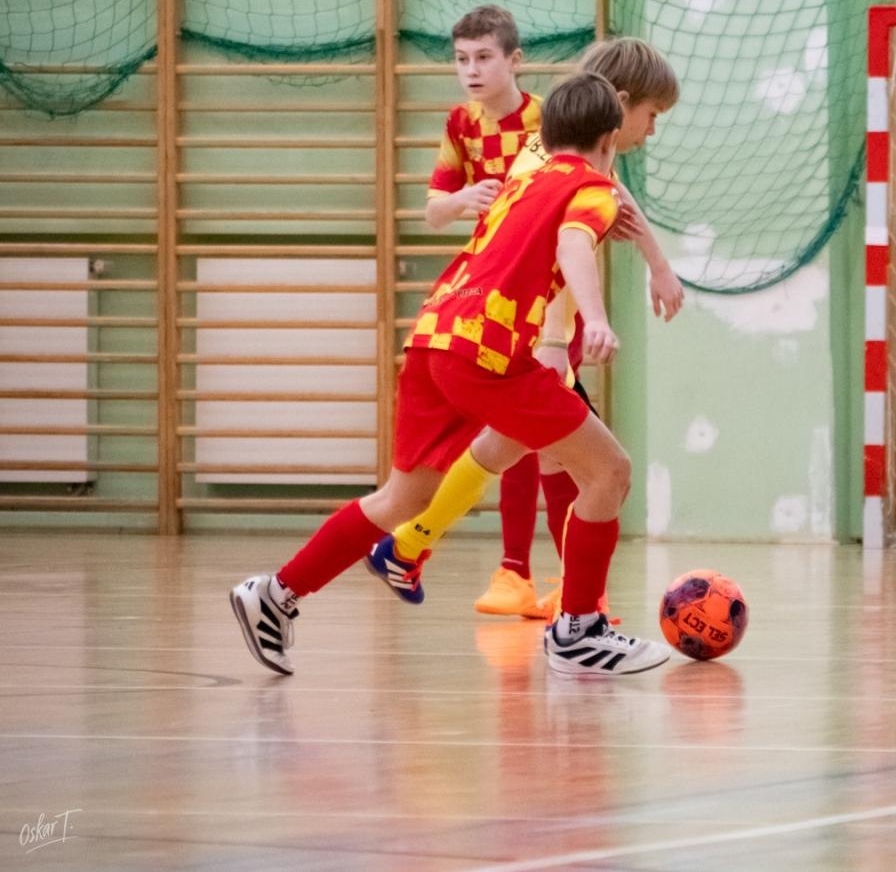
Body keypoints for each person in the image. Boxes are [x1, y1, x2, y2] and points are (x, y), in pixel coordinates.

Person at [230, 71, 673, 676]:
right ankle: (579, 632)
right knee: (609, 471)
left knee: (402, 497)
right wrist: (595, 318)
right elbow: (573, 244)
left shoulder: (524, 180)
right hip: (489, 353)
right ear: (610, 136)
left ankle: (275, 593)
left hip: (433, 339)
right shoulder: (593, 187)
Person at [374, 37, 683, 619]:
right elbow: (561, 243)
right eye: (652, 115)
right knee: (594, 466)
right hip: (531, 334)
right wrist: (569, 334)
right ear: (618, 107)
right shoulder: (550, 160)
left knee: (512, 450)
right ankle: (574, 605)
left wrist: (658, 265)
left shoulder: (578, 156)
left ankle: (413, 545)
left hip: (537, 332)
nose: (652, 130)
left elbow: (620, 202)